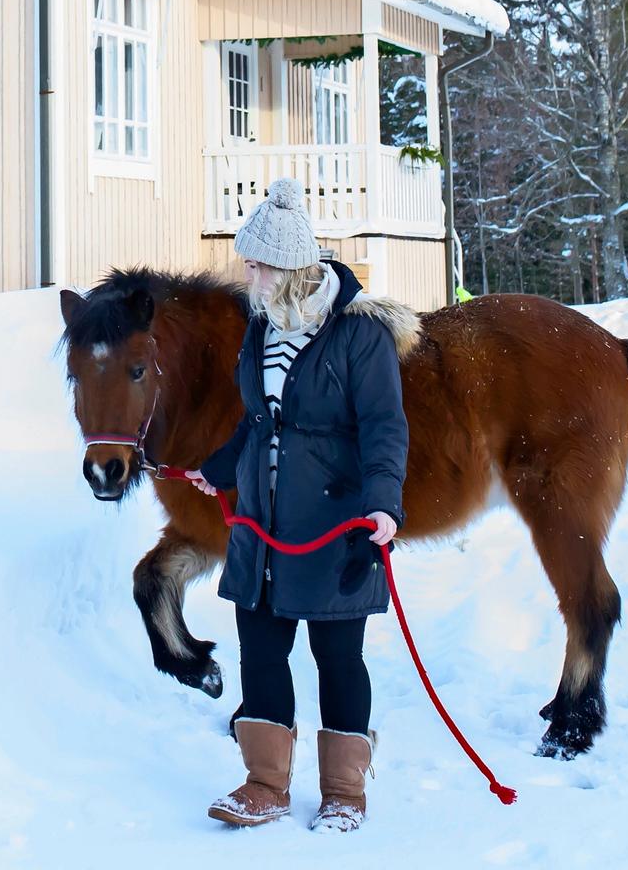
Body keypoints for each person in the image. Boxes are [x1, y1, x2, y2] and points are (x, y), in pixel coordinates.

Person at [179, 177, 410, 832]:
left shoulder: (357, 336)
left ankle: (344, 792)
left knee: (337, 657)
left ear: (283, 267)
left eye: (254, 263)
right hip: (261, 522)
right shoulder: (261, 325)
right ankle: (264, 786)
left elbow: (384, 427)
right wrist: (219, 470)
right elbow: (261, 419)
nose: (244, 273)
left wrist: (383, 505)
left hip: (334, 525)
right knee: (259, 652)